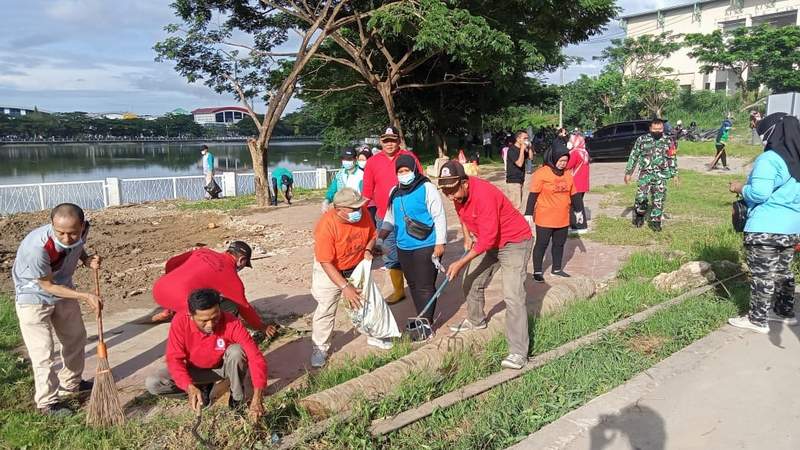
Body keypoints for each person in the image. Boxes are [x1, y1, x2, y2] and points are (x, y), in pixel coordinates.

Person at [438, 161, 533, 370]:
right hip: (490, 242)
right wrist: (466, 237)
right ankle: (476, 320)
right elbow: (462, 216)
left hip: (514, 242)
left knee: (513, 295)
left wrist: (460, 262)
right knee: (470, 280)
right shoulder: (457, 194)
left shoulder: (484, 195)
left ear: (464, 183)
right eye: (445, 191)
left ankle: (519, 352)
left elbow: (488, 240)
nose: (450, 196)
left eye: (452, 190)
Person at [12, 203, 103, 416]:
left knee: (76, 337)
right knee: (43, 351)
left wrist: (86, 259)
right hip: (33, 295)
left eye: (72, 233)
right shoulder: (37, 248)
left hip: (63, 287)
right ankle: (47, 403)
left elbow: (77, 246)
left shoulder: (82, 231)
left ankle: (71, 384)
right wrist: (85, 296)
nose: (66, 238)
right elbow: (47, 286)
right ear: (52, 225)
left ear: (82, 226)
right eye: (60, 232)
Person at [145, 289, 268, 421]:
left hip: (222, 368)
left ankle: (237, 399)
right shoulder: (180, 321)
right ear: (190, 315)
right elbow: (175, 359)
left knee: (237, 351)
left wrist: (257, 397)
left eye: (215, 318)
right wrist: (188, 386)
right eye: (204, 320)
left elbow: (255, 357)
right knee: (153, 383)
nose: (210, 325)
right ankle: (202, 392)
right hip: (194, 371)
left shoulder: (231, 322)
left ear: (220, 309)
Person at [727, 112, 800, 333]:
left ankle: (757, 320)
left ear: (772, 133)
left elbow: (759, 193)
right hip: (791, 229)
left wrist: (740, 188)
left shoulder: (770, 159)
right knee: (784, 273)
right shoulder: (796, 162)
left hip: (765, 227)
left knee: (762, 276)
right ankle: (784, 313)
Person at [310, 188, 381, 367]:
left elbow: (373, 235)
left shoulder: (363, 213)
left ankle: (373, 333)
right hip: (329, 269)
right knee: (326, 308)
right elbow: (326, 262)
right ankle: (320, 348)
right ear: (338, 209)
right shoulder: (326, 225)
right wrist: (344, 287)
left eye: (359, 206)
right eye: (353, 208)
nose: (358, 211)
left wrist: (368, 249)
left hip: (355, 265)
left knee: (364, 301)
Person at [149, 241, 277, 337]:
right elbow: (245, 308)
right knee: (227, 308)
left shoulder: (203, 251)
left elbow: (171, 263)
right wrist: (262, 327)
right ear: (242, 260)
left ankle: (168, 312)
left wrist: (171, 280)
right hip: (180, 302)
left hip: (159, 289)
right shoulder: (230, 277)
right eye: (244, 265)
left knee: (195, 289)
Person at [379, 155, 447, 333]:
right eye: (400, 171)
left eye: (406, 170)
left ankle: (427, 325)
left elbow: (439, 215)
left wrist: (440, 243)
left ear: (414, 170)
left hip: (426, 245)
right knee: (414, 285)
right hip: (403, 247)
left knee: (425, 286)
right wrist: (380, 238)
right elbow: (389, 218)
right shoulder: (394, 191)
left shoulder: (427, 188)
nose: (403, 174)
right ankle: (421, 317)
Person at [362, 126, 423, 304]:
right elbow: (367, 191)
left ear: (398, 140)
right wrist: (358, 211)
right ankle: (399, 290)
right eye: (386, 140)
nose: (389, 144)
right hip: (383, 217)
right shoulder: (372, 162)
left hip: (409, 216)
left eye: (393, 140)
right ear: (381, 141)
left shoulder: (409, 157)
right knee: (390, 254)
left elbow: (421, 182)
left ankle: (419, 287)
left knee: (413, 251)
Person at [525, 142, 584, 282]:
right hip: (545, 217)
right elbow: (533, 194)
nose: (563, 164)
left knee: (559, 244)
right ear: (553, 158)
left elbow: (574, 194)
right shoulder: (541, 173)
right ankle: (537, 271)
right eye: (561, 160)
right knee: (542, 244)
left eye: (565, 161)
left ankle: (556, 269)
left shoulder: (568, 174)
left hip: (562, 217)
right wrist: (528, 213)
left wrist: (579, 211)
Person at [624, 118, 678, 232]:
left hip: (661, 175)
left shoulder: (669, 141)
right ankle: (639, 215)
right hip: (645, 174)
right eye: (655, 129)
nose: (657, 131)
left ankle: (656, 222)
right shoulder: (642, 140)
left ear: (663, 128)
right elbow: (634, 156)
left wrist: (675, 174)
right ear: (650, 128)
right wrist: (629, 172)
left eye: (660, 129)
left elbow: (672, 158)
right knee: (641, 197)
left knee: (659, 198)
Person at [322, 148, 364, 212]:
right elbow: (333, 189)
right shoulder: (340, 174)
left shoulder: (361, 175)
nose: (346, 161)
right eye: (344, 159)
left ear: (355, 159)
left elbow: (364, 196)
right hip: (340, 208)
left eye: (349, 159)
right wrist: (327, 200)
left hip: (356, 208)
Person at [566, 132, 590, 234]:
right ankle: (576, 224)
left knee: (575, 205)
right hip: (583, 183)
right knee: (577, 203)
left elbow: (567, 166)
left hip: (575, 182)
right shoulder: (584, 152)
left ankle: (579, 226)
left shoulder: (575, 153)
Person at [505, 130, 532, 211]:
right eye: (525, 138)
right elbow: (519, 163)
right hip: (513, 181)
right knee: (515, 207)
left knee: (518, 205)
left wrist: (529, 147)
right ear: (518, 139)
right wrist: (522, 150)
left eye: (527, 138)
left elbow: (530, 157)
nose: (526, 140)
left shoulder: (522, 150)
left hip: (520, 180)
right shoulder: (512, 150)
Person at [357, 149, 378, 223]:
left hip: (372, 204)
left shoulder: (374, 170)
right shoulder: (357, 172)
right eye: (360, 160)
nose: (361, 162)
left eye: (363, 160)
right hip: (360, 203)